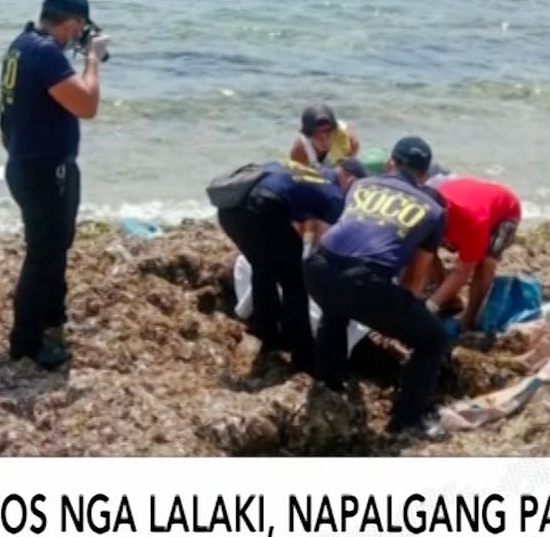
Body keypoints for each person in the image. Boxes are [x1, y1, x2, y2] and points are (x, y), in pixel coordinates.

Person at [304, 136, 451, 437]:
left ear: (389, 164)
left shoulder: (360, 185)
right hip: (363, 282)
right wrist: (399, 319)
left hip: (317, 268)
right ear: (425, 175)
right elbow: (413, 280)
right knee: (433, 340)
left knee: (335, 312)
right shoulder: (433, 211)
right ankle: (406, 419)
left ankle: (329, 384)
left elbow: (349, 231)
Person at [0, 0, 107, 369]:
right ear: (72, 23)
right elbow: (87, 105)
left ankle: (52, 320)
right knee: (43, 255)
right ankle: (26, 342)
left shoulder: (23, 44)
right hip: (43, 169)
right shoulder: (45, 53)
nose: (81, 36)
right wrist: (93, 60)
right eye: (81, 29)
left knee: (55, 246)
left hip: (30, 164)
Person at [213, 157, 366, 372]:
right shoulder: (334, 195)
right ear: (350, 180)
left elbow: (296, 217)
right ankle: (302, 358)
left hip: (229, 211)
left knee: (263, 269)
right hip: (261, 211)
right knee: (295, 283)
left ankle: (268, 336)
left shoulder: (306, 172)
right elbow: (329, 247)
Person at [425, 175, 524, 333]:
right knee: (426, 250)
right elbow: (422, 255)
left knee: (485, 262)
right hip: (465, 195)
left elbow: (462, 270)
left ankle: (470, 317)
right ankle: (450, 301)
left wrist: (430, 306)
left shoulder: (473, 223)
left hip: (505, 211)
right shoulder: (426, 211)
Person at [288, 103, 361, 169]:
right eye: (318, 134)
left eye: (328, 132)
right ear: (309, 135)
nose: (325, 139)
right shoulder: (299, 151)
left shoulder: (349, 139)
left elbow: (349, 167)